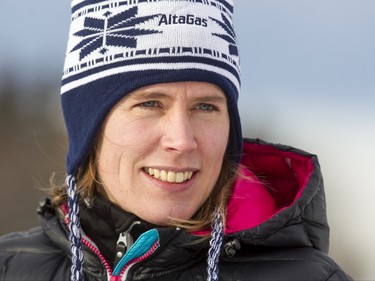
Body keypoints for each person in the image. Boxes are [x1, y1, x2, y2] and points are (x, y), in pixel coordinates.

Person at [0, 0, 353, 280]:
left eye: (205, 107)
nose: (182, 140)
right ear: (89, 127)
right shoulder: (10, 268)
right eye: (150, 104)